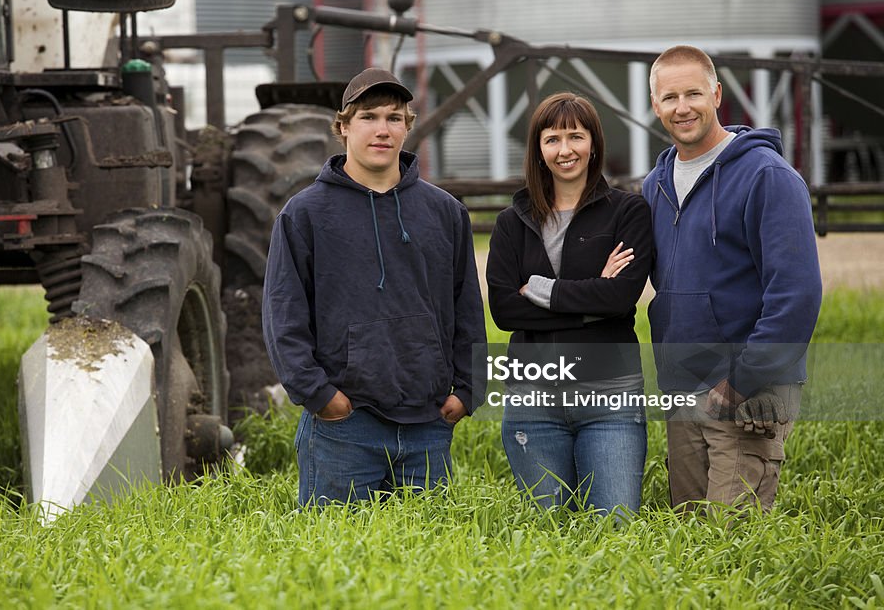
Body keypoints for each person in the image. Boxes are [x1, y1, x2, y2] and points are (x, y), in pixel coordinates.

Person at [262, 67, 486, 507]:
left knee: (431, 564)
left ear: (407, 126)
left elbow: (467, 309)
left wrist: (467, 391)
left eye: (393, 118)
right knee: (336, 565)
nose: (382, 129)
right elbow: (282, 315)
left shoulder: (444, 212)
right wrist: (322, 397)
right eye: (368, 117)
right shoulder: (304, 214)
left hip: (428, 424)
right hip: (344, 427)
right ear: (343, 127)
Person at [643, 45, 822, 512]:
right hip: (683, 385)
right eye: (669, 97)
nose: (682, 107)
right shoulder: (655, 184)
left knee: (732, 539)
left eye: (693, 93)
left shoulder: (767, 176)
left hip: (748, 391)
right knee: (688, 530)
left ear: (717, 94)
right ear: (655, 105)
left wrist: (743, 379)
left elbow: (796, 294)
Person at [486, 92, 653, 516]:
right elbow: (505, 310)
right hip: (533, 399)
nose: (565, 150)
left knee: (615, 526)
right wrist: (593, 292)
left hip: (610, 399)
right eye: (552, 139)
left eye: (575, 137)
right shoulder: (512, 222)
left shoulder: (628, 211)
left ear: (593, 143)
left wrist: (541, 290)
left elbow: (620, 297)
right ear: (539, 150)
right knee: (547, 531)